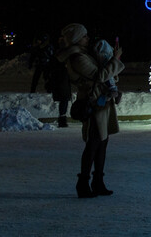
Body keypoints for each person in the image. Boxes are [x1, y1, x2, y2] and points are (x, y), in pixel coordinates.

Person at [57, 23, 124, 199]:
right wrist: (115, 60)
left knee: (102, 141)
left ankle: (97, 181)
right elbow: (99, 76)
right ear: (76, 39)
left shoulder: (84, 54)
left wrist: (111, 64)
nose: (87, 38)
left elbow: (105, 74)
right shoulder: (77, 57)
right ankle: (84, 182)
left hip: (101, 102)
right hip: (93, 103)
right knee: (94, 143)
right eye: (84, 36)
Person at [48, 37, 73, 128]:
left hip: (60, 78)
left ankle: (62, 118)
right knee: (64, 99)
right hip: (62, 79)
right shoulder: (63, 54)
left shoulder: (57, 53)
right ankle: (62, 119)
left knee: (64, 99)